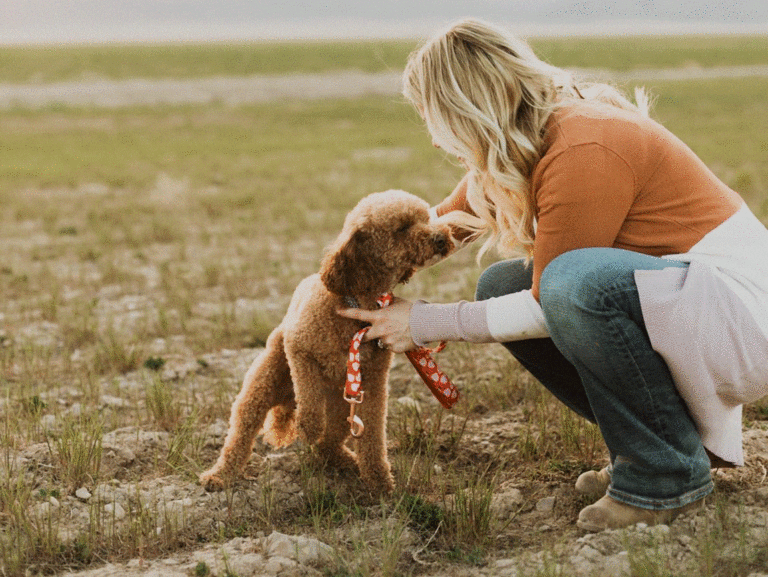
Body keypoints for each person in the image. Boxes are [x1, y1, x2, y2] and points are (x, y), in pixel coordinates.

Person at [338, 18, 768, 531]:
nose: (435, 139)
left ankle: (663, 477)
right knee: (502, 285)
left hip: (741, 322)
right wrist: (353, 278)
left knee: (572, 284)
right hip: (699, 309)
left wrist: (424, 322)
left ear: (468, 107)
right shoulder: (533, 139)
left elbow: (552, 301)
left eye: (434, 116)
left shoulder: (584, 147)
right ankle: (666, 446)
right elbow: (442, 227)